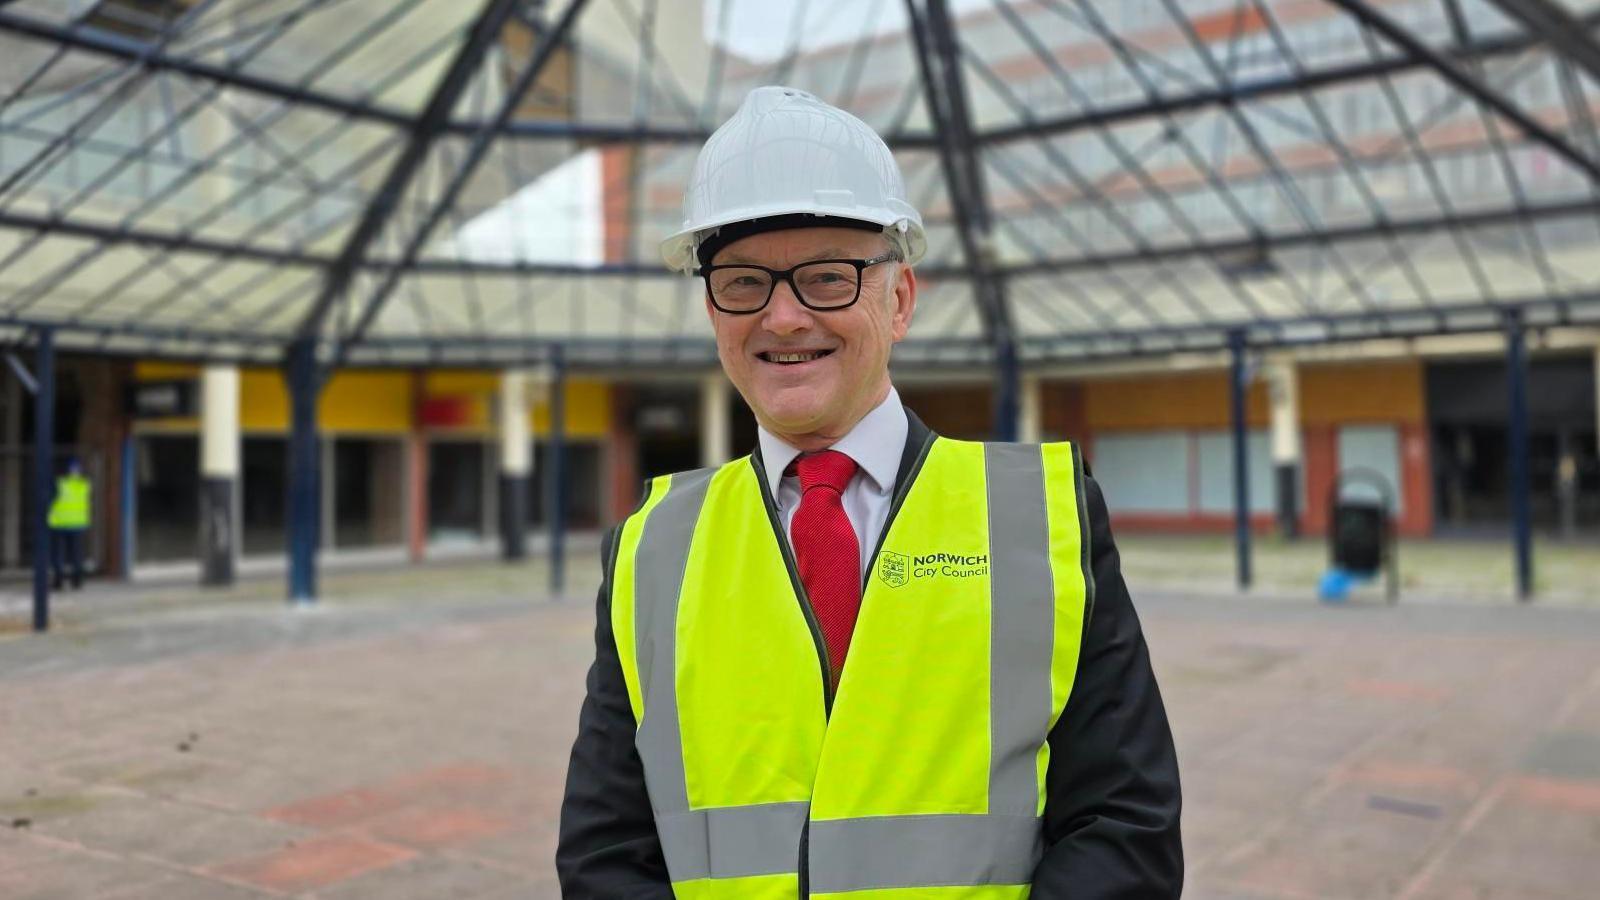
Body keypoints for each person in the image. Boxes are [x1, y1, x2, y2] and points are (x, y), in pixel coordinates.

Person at [557, 86, 1181, 898]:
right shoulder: (651, 548)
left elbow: (1123, 827)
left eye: (827, 277)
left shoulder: (1043, 516)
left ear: (901, 299)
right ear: (712, 308)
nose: (782, 318)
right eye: (742, 282)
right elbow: (607, 854)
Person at [49, 457, 91, 590]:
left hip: (60, 523)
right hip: (77, 523)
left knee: (58, 554)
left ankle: (59, 580)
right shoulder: (84, 485)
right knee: (76, 553)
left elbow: (49, 500)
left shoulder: (60, 484)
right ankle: (77, 580)